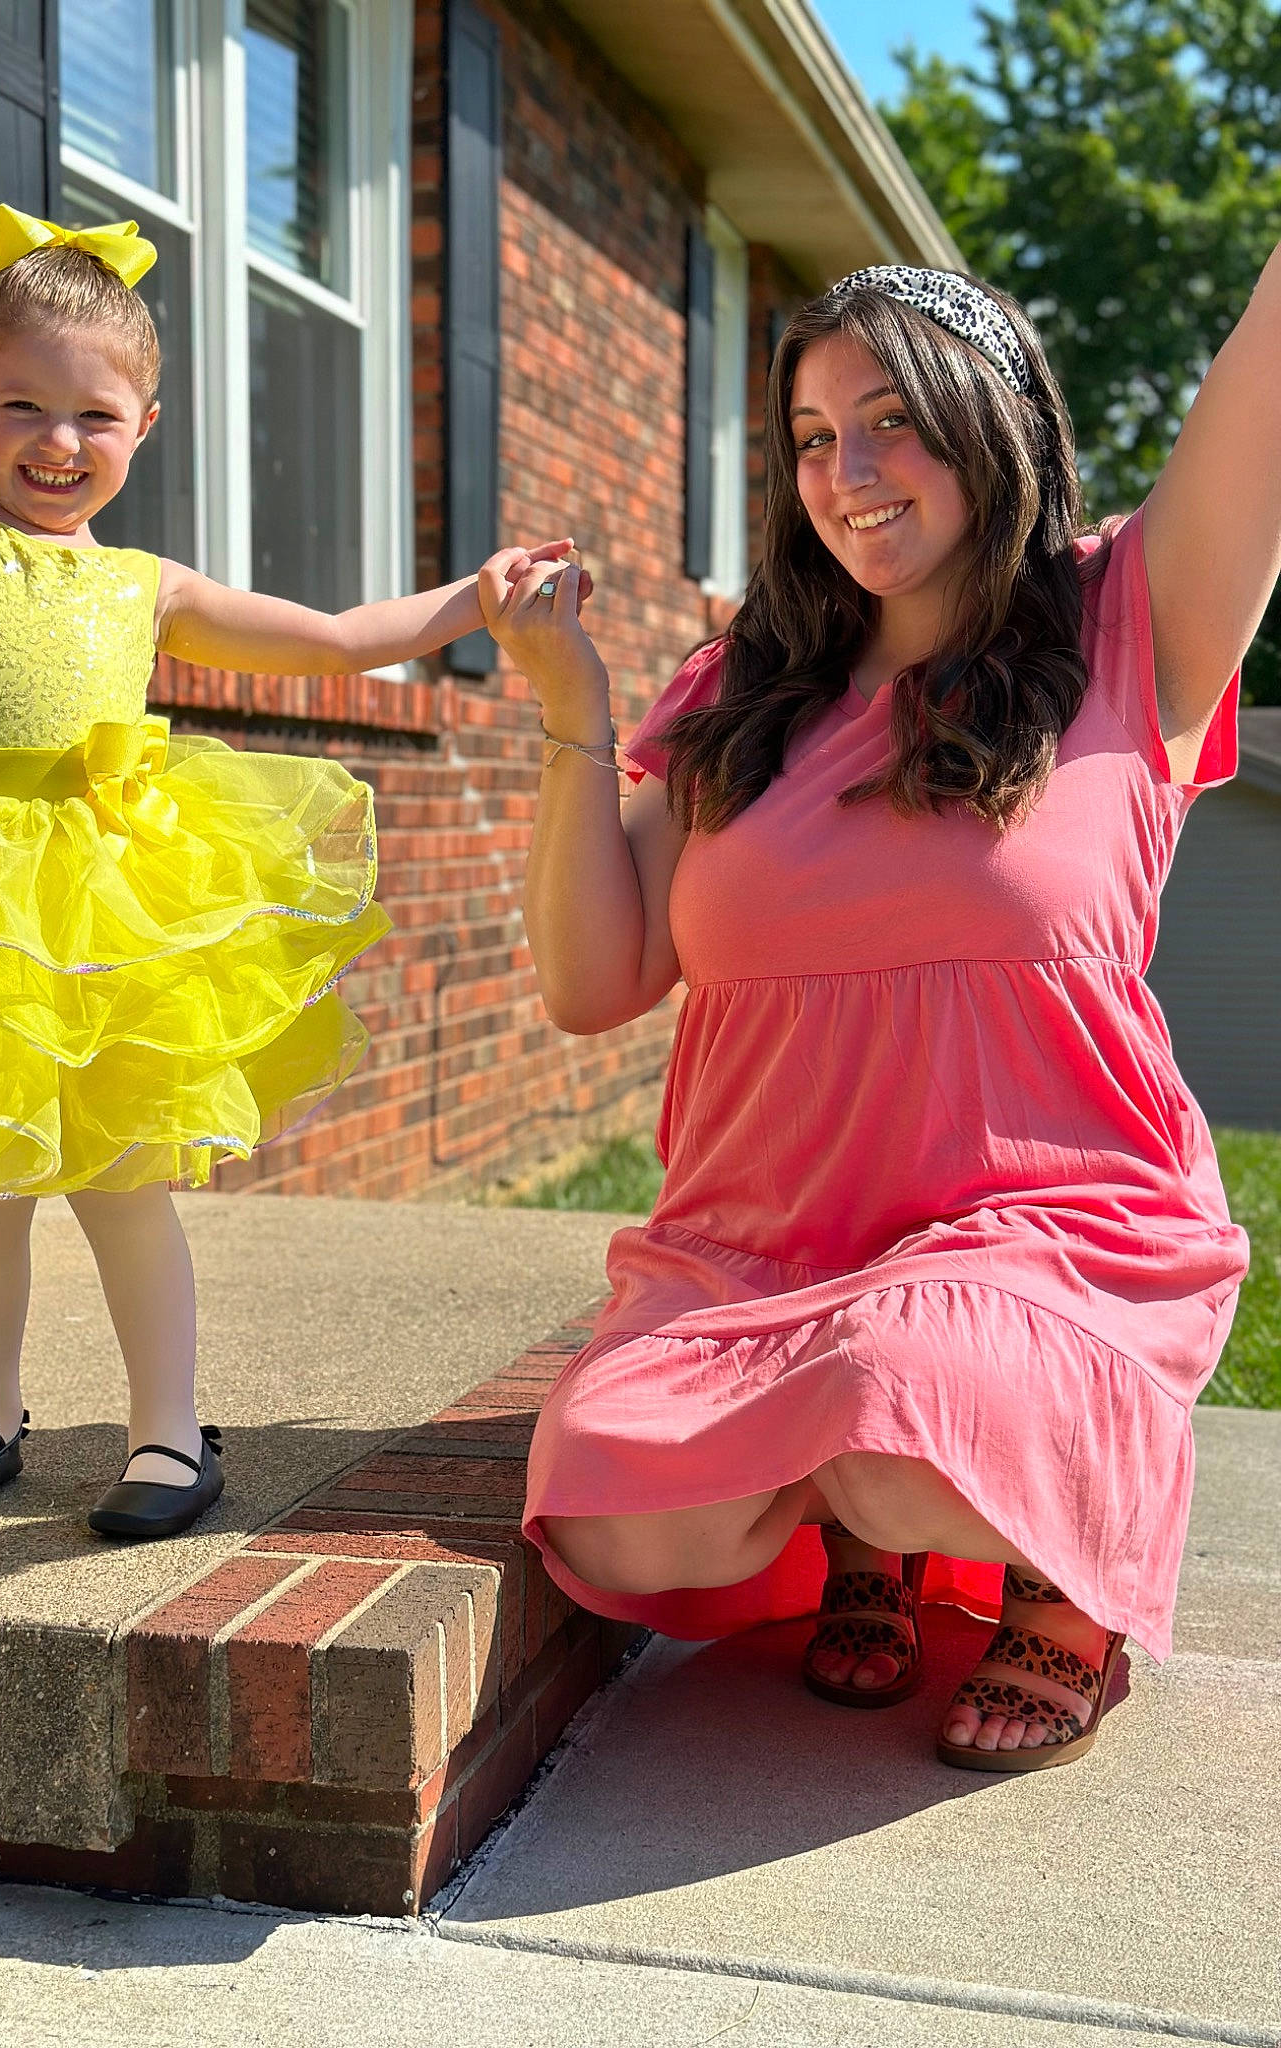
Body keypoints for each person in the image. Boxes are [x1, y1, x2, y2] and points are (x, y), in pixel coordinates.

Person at [0, 41, 584, 1541]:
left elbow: (334, 641)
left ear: (143, 428)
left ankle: (168, 1435)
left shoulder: (148, 586)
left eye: (93, 417)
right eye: (19, 409)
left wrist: (473, 596)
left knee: (123, 1180)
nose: (56, 445)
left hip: (101, 900)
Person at [478, 253, 1273, 1770]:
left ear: (996, 422)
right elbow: (593, 985)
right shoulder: (740, 690)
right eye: (814, 436)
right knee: (608, 1497)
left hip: (1045, 1237)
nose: (851, 473)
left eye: (896, 419)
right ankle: (865, 1525)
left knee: (917, 1391)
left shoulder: (1129, 623)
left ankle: (1055, 1600)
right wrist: (572, 705)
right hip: (756, 1246)